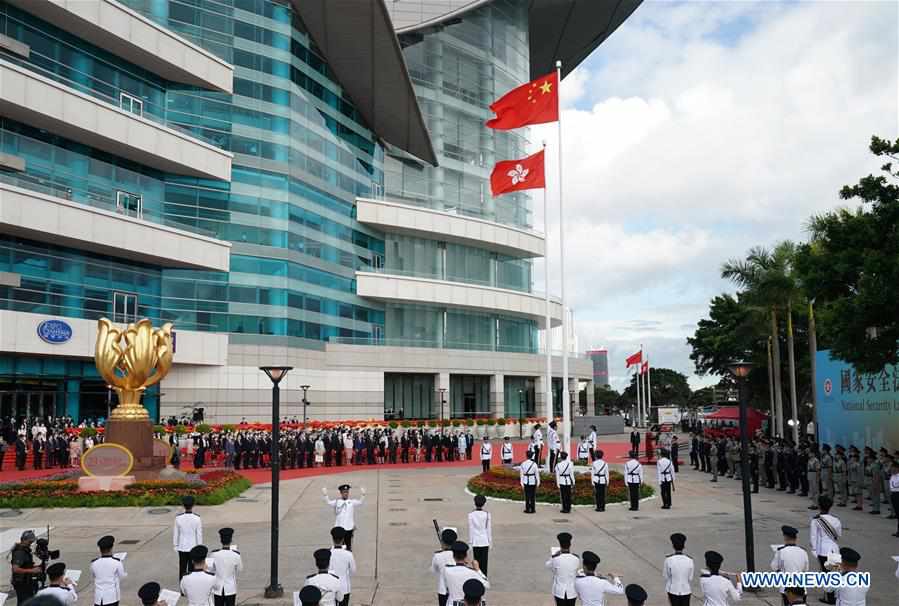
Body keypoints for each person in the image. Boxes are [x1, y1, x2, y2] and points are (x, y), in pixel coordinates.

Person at [809, 496, 841, 605]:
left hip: (823, 550)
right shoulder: (836, 519)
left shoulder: (816, 520)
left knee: (825, 573)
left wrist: (814, 550)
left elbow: (813, 537)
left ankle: (828, 597)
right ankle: (835, 595)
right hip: (834, 549)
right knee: (834, 572)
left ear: (819, 506)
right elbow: (838, 535)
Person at [770, 526, 809, 605]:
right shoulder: (803, 551)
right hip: (801, 587)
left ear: (785, 537)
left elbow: (774, 566)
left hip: (787, 588)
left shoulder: (781, 551)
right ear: (796, 538)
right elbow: (806, 569)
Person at [442, 541, 489, 606]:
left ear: (453, 556)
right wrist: (478, 569)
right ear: (466, 556)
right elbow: (487, 585)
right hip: (470, 602)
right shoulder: (473, 572)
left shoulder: (446, 570)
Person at [323, 484, 365, 551]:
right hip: (340, 526)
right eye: (344, 492)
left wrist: (363, 495)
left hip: (349, 527)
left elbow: (360, 502)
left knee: (348, 545)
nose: (346, 494)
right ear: (341, 493)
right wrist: (325, 495)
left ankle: (348, 556)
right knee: (339, 546)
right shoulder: (337, 502)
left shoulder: (351, 502)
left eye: (347, 492)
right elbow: (328, 502)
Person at [209, 528, 242, 606]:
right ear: (231, 540)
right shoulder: (236, 554)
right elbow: (240, 569)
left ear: (221, 540)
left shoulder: (214, 554)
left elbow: (211, 569)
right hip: (230, 588)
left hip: (218, 587)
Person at [92, 535, 127, 606]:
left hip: (98, 598)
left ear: (100, 549)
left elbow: (93, 575)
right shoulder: (117, 562)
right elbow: (122, 575)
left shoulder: (94, 563)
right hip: (112, 597)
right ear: (111, 548)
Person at [546, 532, 579, 606]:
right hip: (572, 592)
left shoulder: (556, 559)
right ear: (570, 545)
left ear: (560, 545)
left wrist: (553, 556)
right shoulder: (576, 558)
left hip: (559, 591)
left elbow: (548, 565)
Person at [175, 495, 204, 580]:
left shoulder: (178, 518)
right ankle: (191, 587)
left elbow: (176, 533)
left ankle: (182, 589)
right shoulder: (197, 518)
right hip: (193, 546)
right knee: (192, 569)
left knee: (182, 569)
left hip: (182, 546)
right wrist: (199, 546)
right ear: (193, 505)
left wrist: (175, 545)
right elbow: (199, 534)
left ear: (183, 505)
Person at [10, 530, 41, 604]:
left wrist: (37, 567)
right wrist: (32, 571)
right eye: (30, 542)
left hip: (26, 582)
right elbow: (15, 569)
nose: (31, 544)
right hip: (21, 583)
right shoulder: (19, 552)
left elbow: (26, 565)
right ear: (24, 540)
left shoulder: (25, 550)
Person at [663, 533, 693, 606]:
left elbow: (666, 576)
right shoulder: (690, 560)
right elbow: (690, 578)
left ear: (673, 546)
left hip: (673, 590)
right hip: (686, 590)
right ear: (683, 546)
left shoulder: (668, 559)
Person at [328, 527, 355, 606]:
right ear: (343, 539)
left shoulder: (328, 553)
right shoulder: (348, 554)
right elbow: (353, 571)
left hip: (332, 587)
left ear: (332, 539)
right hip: (344, 587)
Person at [431, 528, 457, 606]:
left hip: (443, 590)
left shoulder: (438, 555)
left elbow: (434, 570)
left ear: (442, 541)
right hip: (456, 588)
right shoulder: (458, 554)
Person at [468, 495, 492, 575]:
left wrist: (470, 542)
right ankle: (484, 578)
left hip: (475, 541)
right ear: (484, 503)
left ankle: (478, 577)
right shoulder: (487, 514)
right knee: (484, 562)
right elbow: (488, 529)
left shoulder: (471, 515)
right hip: (485, 540)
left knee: (476, 562)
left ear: (475, 503)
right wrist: (490, 541)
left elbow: (471, 529)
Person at [889, 461, 899, 537]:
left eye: (893, 468)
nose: (892, 469)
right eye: (891, 468)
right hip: (893, 495)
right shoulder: (892, 476)